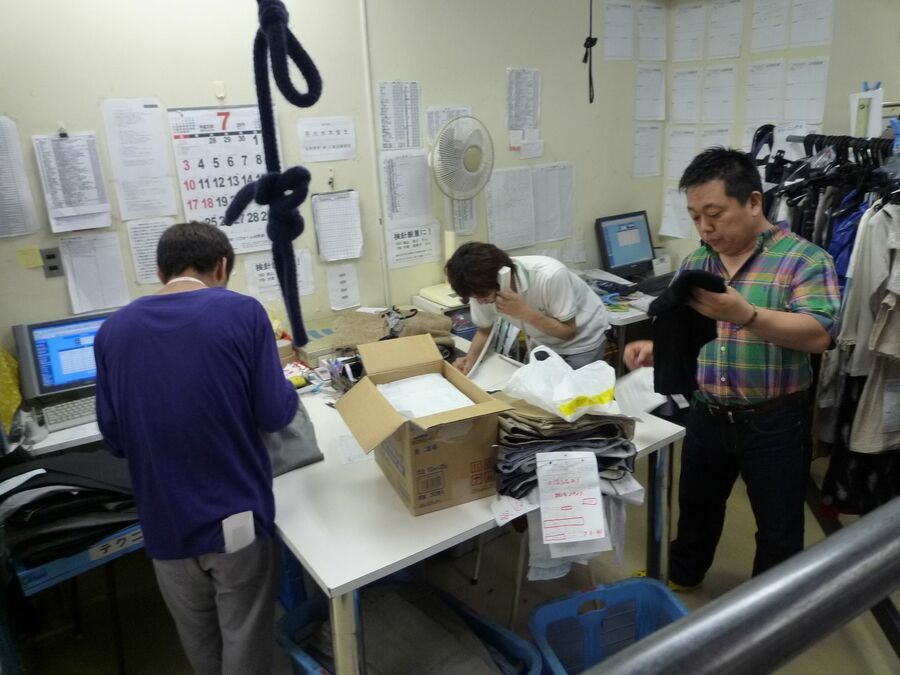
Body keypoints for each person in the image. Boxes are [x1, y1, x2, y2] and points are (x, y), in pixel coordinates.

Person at [625, 147, 840, 589]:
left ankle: (771, 610)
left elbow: (818, 334)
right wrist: (656, 348)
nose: (705, 228)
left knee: (778, 528)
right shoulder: (696, 263)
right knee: (696, 510)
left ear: (754, 202)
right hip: (707, 412)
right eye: (695, 216)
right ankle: (682, 580)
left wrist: (747, 315)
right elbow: (688, 332)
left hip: (776, 421)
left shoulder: (805, 259)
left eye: (715, 214)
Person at [94, 221, 298, 674]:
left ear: (160, 271)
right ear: (221, 267)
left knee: (201, 645)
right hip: (235, 519)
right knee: (245, 638)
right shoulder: (243, 313)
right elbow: (273, 413)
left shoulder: (112, 331)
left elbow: (114, 438)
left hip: (165, 524)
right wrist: (287, 391)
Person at [445, 243, 610, 372]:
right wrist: (471, 359)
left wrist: (524, 312)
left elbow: (568, 332)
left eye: (483, 297)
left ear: (503, 276)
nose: (480, 302)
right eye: (475, 298)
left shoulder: (550, 276)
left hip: (581, 341)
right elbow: (484, 330)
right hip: (542, 341)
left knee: (574, 399)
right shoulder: (479, 290)